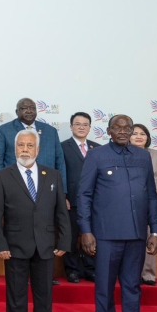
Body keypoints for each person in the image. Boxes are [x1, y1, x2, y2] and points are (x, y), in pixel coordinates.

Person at [77, 114, 157, 312]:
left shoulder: (143, 156)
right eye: (118, 127)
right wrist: (86, 230)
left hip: (136, 235)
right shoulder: (97, 155)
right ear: (109, 131)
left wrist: (155, 230)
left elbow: (152, 196)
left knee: (132, 288)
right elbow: (84, 195)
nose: (123, 131)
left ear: (133, 130)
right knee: (104, 287)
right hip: (105, 235)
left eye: (128, 128)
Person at [0, 128, 71, 312]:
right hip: (14, 247)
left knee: (44, 298)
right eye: (21, 145)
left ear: (38, 149)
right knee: (16, 297)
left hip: (45, 246)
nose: (25, 149)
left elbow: (61, 213)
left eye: (29, 145)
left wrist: (64, 241)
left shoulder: (53, 175)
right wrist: (1, 245)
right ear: (15, 148)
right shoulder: (3, 176)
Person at [0, 98, 66, 186]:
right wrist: (1, 186)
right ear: (17, 111)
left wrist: (62, 190)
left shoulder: (51, 131)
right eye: (24, 108)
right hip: (14, 185)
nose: (29, 111)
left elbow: (60, 161)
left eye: (32, 108)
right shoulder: (3, 131)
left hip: (47, 185)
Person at [61, 112, 99, 283]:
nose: (81, 127)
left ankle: (90, 268)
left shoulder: (98, 148)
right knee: (70, 236)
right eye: (77, 124)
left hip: (94, 202)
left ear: (90, 128)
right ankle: (72, 270)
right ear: (71, 127)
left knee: (91, 236)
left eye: (85, 124)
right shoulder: (62, 147)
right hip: (72, 202)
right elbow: (58, 174)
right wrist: (63, 196)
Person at [131, 123, 157, 286]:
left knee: (152, 236)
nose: (139, 136)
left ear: (147, 137)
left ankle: (148, 274)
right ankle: (132, 273)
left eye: (143, 133)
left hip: (154, 199)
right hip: (131, 200)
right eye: (135, 133)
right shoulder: (124, 154)